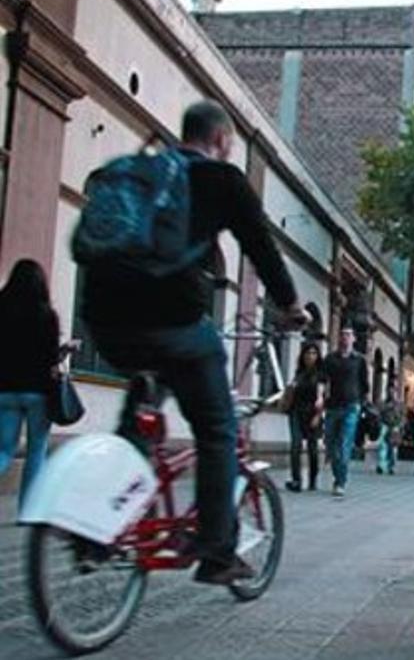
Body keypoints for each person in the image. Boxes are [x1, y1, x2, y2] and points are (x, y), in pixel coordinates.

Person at [81, 100, 307, 585]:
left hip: (105, 320)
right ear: (223, 140)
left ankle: (95, 528)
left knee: (138, 419)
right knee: (217, 428)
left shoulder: (137, 171)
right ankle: (215, 547)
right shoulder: (223, 180)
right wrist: (291, 307)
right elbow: (262, 249)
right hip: (173, 321)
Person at [0, 260, 66, 511]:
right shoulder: (47, 315)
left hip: (4, 390)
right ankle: (27, 510)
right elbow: (50, 358)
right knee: (36, 450)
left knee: (4, 450)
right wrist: (64, 351)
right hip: (38, 392)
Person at [321, 325, 368, 497]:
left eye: (348, 335)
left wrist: (361, 403)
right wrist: (320, 397)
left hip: (351, 406)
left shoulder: (359, 360)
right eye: (342, 335)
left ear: (354, 339)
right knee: (331, 444)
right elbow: (322, 380)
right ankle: (337, 475)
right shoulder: (330, 359)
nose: (345, 338)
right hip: (333, 405)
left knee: (344, 444)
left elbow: (364, 384)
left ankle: (340, 482)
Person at [285, 341, 325, 492]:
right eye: (308, 353)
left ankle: (313, 479)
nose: (310, 356)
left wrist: (318, 415)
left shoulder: (320, 375)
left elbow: (321, 397)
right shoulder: (298, 373)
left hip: (312, 414)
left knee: (312, 449)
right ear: (303, 355)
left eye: (314, 353)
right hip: (296, 412)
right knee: (295, 446)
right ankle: (296, 480)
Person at [377, 383, 405, 475]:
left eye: (393, 391)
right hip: (385, 425)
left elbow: (403, 416)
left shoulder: (400, 404)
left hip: (395, 426)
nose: (391, 393)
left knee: (393, 448)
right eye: (389, 391)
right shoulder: (383, 403)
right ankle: (381, 465)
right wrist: (380, 423)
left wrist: (400, 425)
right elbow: (379, 413)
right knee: (382, 446)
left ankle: (391, 466)